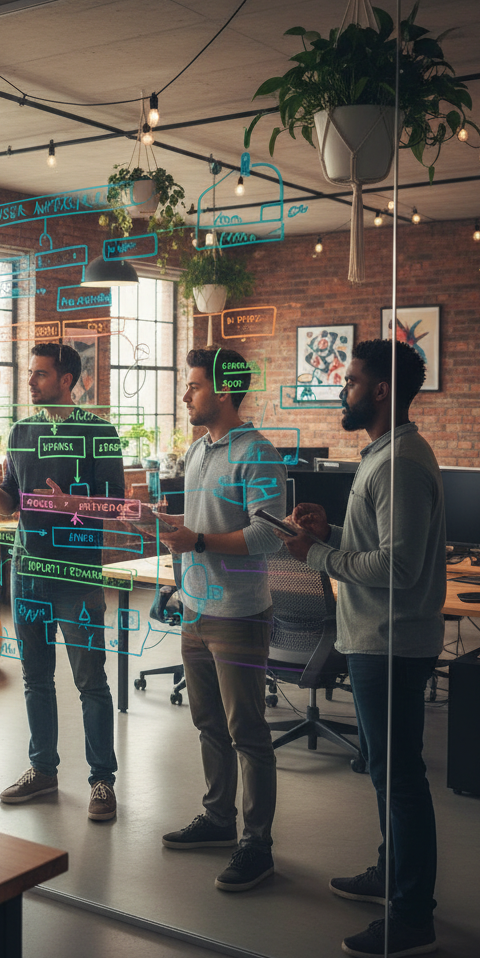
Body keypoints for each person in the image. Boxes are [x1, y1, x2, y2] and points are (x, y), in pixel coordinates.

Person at [281, 339, 445, 958]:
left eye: (350, 381)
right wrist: (331, 532)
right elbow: (374, 542)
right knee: (384, 770)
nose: (342, 390)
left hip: (391, 642)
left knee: (399, 778)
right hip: (377, 638)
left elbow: (399, 567)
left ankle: (411, 916)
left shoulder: (400, 462)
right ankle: (389, 872)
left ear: (380, 390)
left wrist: (318, 556)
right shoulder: (385, 455)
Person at [153, 346, 284, 892]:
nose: (186, 394)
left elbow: (268, 535)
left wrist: (200, 539)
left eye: (194, 386)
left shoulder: (258, 453)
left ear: (224, 391)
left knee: (247, 731)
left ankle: (257, 845)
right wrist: (176, 540)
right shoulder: (199, 450)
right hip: (196, 609)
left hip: (238, 615)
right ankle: (217, 819)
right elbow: (202, 522)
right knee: (208, 725)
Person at [0, 343, 123, 821]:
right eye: (31, 373)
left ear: (67, 380)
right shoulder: (22, 431)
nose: (32, 381)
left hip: (75, 575)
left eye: (40, 374)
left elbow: (118, 508)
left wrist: (72, 505)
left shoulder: (99, 432)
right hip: (28, 573)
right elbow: (11, 508)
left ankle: (102, 780)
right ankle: (42, 770)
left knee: (90, 681)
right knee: (35, 679)